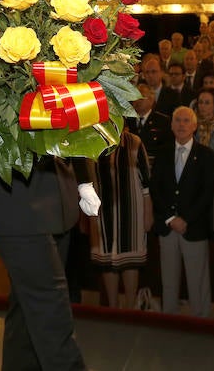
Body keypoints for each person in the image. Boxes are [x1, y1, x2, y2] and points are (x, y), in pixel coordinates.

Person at [0, 0, 99, 371]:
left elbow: (72, 101)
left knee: (27, 317)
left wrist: (83, 177)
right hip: (12, 193)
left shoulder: (54, 15)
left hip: (55, 191)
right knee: (52, 316)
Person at [149, 106, 214, 317]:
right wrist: (171, 218)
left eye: (186, 120)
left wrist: (185, 219)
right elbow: (155, 188)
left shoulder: (206, 155)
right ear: (171, 125)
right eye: (177, 120)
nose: (181, 124)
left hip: (193, 227)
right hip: (167, 226)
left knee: (198, 281)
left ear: (195, 126)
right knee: (169, 280)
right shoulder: (162, 153)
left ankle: (201, 321)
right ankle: (169, 320)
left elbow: (207, 193)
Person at [77, 130, 152, 309]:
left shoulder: (134, 142)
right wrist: (83, 216)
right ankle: (112, 308)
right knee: (107, 260)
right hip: (101, 212)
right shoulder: (91, 139)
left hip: (132, 212)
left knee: (130, 259)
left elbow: (147, 184)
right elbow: (84, 181)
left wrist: (148, 214)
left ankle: (130, 308)